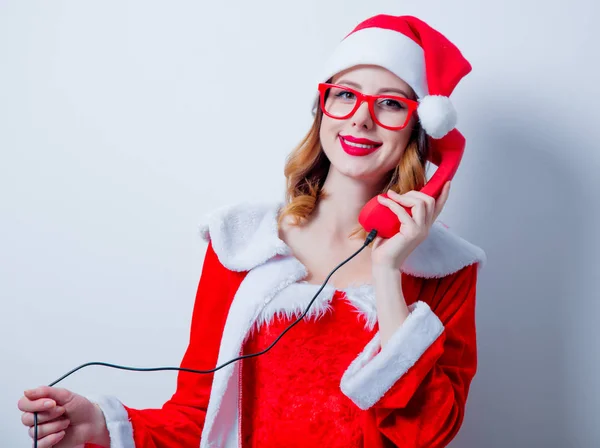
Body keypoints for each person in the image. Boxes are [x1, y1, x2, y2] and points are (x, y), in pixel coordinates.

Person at [18, 13, 487, 448]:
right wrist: (102, 425)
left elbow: (428, 433)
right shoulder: (243, 245)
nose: (362, 117)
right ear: (322, 108)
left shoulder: (445, 268)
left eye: (389, 103)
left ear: (419, 128)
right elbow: (198, 416)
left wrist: (389, 273)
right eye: (345, 94)